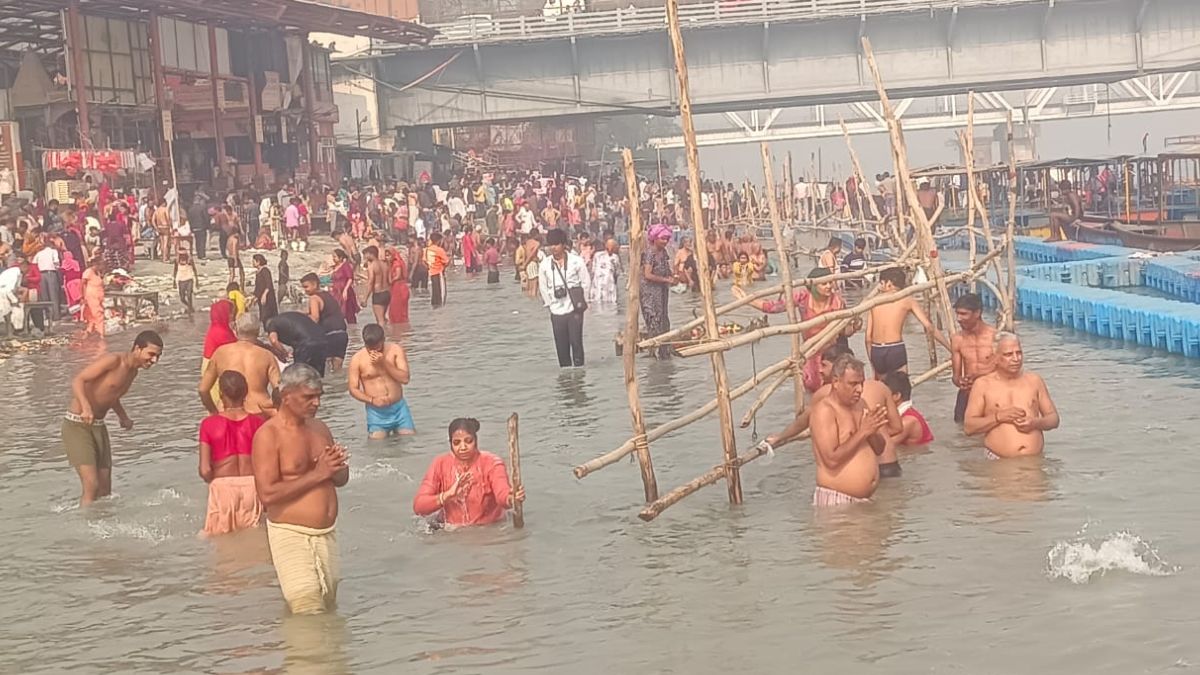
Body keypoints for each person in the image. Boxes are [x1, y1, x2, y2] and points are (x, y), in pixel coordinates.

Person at [252, 363, 349, 615]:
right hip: (291, 534)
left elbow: (340, 479)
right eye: (309, 397)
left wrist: (336, 466)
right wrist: (318, 473)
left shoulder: (320, 428)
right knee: (308, 612)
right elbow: (267, 494)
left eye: (319, 396)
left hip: (327, 534)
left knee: (328, 609)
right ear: (286, 396)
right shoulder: (268, 435)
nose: (316, 403)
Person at [63, 330, 163, 505]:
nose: (154, 360)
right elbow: (78, 380)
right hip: (77, 424)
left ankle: (103, 520)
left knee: (105, 489)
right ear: (137, 349)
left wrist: (123, 417)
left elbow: (112, 394)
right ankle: (84, 520)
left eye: (158, 356)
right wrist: (85, 407)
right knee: (91, 485)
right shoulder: (114, 360)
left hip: (98, 425)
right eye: (151, 354)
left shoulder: (133, 372)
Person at [736, 267, 854, 391]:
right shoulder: (803, 297)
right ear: (813, 286)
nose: (829, 286)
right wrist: (748, 300)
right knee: (811, 384)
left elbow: (846, 331)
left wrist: (853, 325)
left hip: (832, 352)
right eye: (824, 284)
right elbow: (775, 307)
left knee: (834, 386)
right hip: (810, 350)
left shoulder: (837, 302)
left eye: (830, 282)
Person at [412, 418, 525, 528]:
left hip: (488, 529)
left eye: (468, 441)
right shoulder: (440, 464)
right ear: (450, 444)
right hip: (450, 530)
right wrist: (447, 495)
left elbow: (502, 494)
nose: (463, 447)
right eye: (456, 443)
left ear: (476, 441)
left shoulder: (492, 463)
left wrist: (512, 499)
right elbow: (419, 507)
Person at [963, 332, 1060, 459]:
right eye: (1008, 354)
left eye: (1019, 353)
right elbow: (969, 427)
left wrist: (1036, 423)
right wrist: (998, 417)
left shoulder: (1034, 381)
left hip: (1034, 461)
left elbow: (1054, 419)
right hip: (998, 461)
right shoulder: (982, 385)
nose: (1016, 359)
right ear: (995, 358)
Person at [809, 356, 888, 506]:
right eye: (853, 384)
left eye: (861, 383)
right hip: (838, 500)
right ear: (836, 382)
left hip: (863, 501)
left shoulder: (861, 404)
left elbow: (879, 449)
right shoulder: (825, 411)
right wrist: (863, 432)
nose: (860, 390)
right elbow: (831, 460)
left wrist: (872, 432)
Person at [199, 370, 266, 536]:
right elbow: (266, 465)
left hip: (223, 488)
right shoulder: (258, 423)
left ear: (221, 394)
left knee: (221, 542)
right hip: (253, 486)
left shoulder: (208, 424)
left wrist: (214, 481)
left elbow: (205, 470)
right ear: (246, 393)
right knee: (254, 539)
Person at [865, 267, 951, 378]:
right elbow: (929, 327)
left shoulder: (874, 301)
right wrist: (951, 349)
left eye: (881, 283)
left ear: (889, 283)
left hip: (877, 349)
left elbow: (868, 338)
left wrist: (873, 362)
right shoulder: (907, 300)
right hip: (895, 348)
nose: (880, 287)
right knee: (901, 386)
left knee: (881, 387)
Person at [200, 312, 282, 417]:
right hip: (258, 411)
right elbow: (280, 391)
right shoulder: (267, 355)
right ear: (258, 331)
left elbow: (203, 390)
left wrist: (213, 412)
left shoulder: (220, 353)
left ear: (236, 329)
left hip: (227, 412)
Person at [347, 324, 413, 439]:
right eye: (370, 348)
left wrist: (384, 363)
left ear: (383, 340)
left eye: (377, 347)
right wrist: (372, 400)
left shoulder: (395, 350)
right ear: (365, 344)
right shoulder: (357, 359)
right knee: (378, 445)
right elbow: (353, 389)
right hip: (376, 412)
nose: (374, 351)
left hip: (399, 408)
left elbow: (405, 379)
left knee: (409, 440)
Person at [538, 228, 590, 368]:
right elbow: (543, 287)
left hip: (574, 309)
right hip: (556, 311)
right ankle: (566, 377)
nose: (553, 248)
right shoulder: (544, 265)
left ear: (563, 244)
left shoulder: (576, 261)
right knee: (561, 348)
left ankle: (579, 374)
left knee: (576, 344)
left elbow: (585, 282)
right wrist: (550, 305)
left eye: (556, 244)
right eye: (551, 244)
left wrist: (582, 302)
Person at [950, 292, 996, 423]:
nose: (959, 318)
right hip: (967, 393)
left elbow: (1005, 368)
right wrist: (961, 382)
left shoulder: (995, 337)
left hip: (992, 392)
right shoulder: (957, 339)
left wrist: (978, 375)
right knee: (961, 429)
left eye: (963, 314)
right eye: (957, 314)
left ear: (977, 313)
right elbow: (955, 376)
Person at [302, 273, 349, 372]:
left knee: (325, 370)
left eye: (306, 287)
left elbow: (315, 318)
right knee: (337, 369)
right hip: (342, 334)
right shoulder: (328, 295)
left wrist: (302, 320)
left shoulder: (314, 298)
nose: (305, 290)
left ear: (315, 284)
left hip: (328, 335)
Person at [641, 224, 674, 359]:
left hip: (662, 290)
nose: (665, 241)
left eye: (667, 239)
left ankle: (664, 351)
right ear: (655, 239)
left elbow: (667, 269)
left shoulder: (664, 253)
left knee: (664, 319)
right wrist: (665, 279)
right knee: (654, 320)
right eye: (663, 239)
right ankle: (653, 352)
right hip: (650, 292)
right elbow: (647, 274)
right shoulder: (650, 253)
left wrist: (673, 277)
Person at [266, 311, 330, 377]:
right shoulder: (288, 317)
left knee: (300, 375)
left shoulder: (272, 323)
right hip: (322, 340)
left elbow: (274, 341)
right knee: (317, 376)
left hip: (306, 343)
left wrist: (284, 353)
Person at [882, 370, 934, 450]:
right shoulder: (903, 415)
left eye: (884, 394)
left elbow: (883, 447)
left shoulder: (908, 422)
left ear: (896, 396)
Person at [330, 249, 360, 325]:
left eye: (335, 257)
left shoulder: (345, 266)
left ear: (340, 258)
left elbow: (350, 278)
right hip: (336, 292)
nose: (333, 258)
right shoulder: (335, 267)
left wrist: (345, 290)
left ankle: (353, 330)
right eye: (333, 257)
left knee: (349, 312)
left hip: (345, 292)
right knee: (337, 312)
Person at [589, 237, 620, 308]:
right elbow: (617, 273)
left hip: (606, 285)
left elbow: (616, 272)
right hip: (601, 285)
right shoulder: (599, 255)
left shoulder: (614, 257)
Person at [363, 246, 389, 325]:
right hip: (387, 293)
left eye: (365, 254)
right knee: (384, 318)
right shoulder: (385, 264)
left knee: (380, 320)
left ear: (371, 254)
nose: (364, 256)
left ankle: (382, 332)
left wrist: (365, 299)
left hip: (378, 294)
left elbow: (371, 282)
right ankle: (389, 332)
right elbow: (389, 279)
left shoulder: (372, 266)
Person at [80, 257, 105, 337]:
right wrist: (82, 296)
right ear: (96, 265)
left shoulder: (97, 272)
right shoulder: (88, 272)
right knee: (98, 314)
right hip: (91, 296)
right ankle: (101, 333)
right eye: (101, 265)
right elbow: (82, 284)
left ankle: (89, 331)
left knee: (93, 316)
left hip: (98, 296)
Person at [425, 231, 450, 308]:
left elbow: (424, 261)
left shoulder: (427, 250)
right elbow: (447, 261)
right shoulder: (439, 250)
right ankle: (440, 310)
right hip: (439, 273)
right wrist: (443, 268)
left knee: (434, 294)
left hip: (431, 273)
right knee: (441, 295)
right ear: (439, 241)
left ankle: (435, 308)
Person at [386, 246, 410, 324]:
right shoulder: (391, 264)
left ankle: (400, 326)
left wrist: (391, 281)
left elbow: (398, 275)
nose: (387, 257)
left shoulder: (397, 263)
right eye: (386, 255)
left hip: (399, 288)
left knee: (398, 309)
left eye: (388, 255)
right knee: (395, 308)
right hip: (396, 287)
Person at [252, 254, 278, 324]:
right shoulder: (258, 272)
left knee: (268, 317)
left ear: (258, 262)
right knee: (263, 318)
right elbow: (258, 287)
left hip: (268, 297)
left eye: (254, 261)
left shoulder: (265, 270)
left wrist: (264, 294)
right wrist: (255, 297)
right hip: (261, 298)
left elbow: (269, 283)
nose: (252, 263)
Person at [174, 249, 197, 314]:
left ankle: (190, 308)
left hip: (189, 279)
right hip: (181, 280)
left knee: (189, 295)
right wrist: (174, 281)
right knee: (182, 298)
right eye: (181, 255)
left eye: (184, 255)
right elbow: (175, 270)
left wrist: (197, 281)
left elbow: (194, 269)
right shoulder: (176, 261)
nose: (182, 257)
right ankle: (190, 306)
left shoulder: (190, 260)